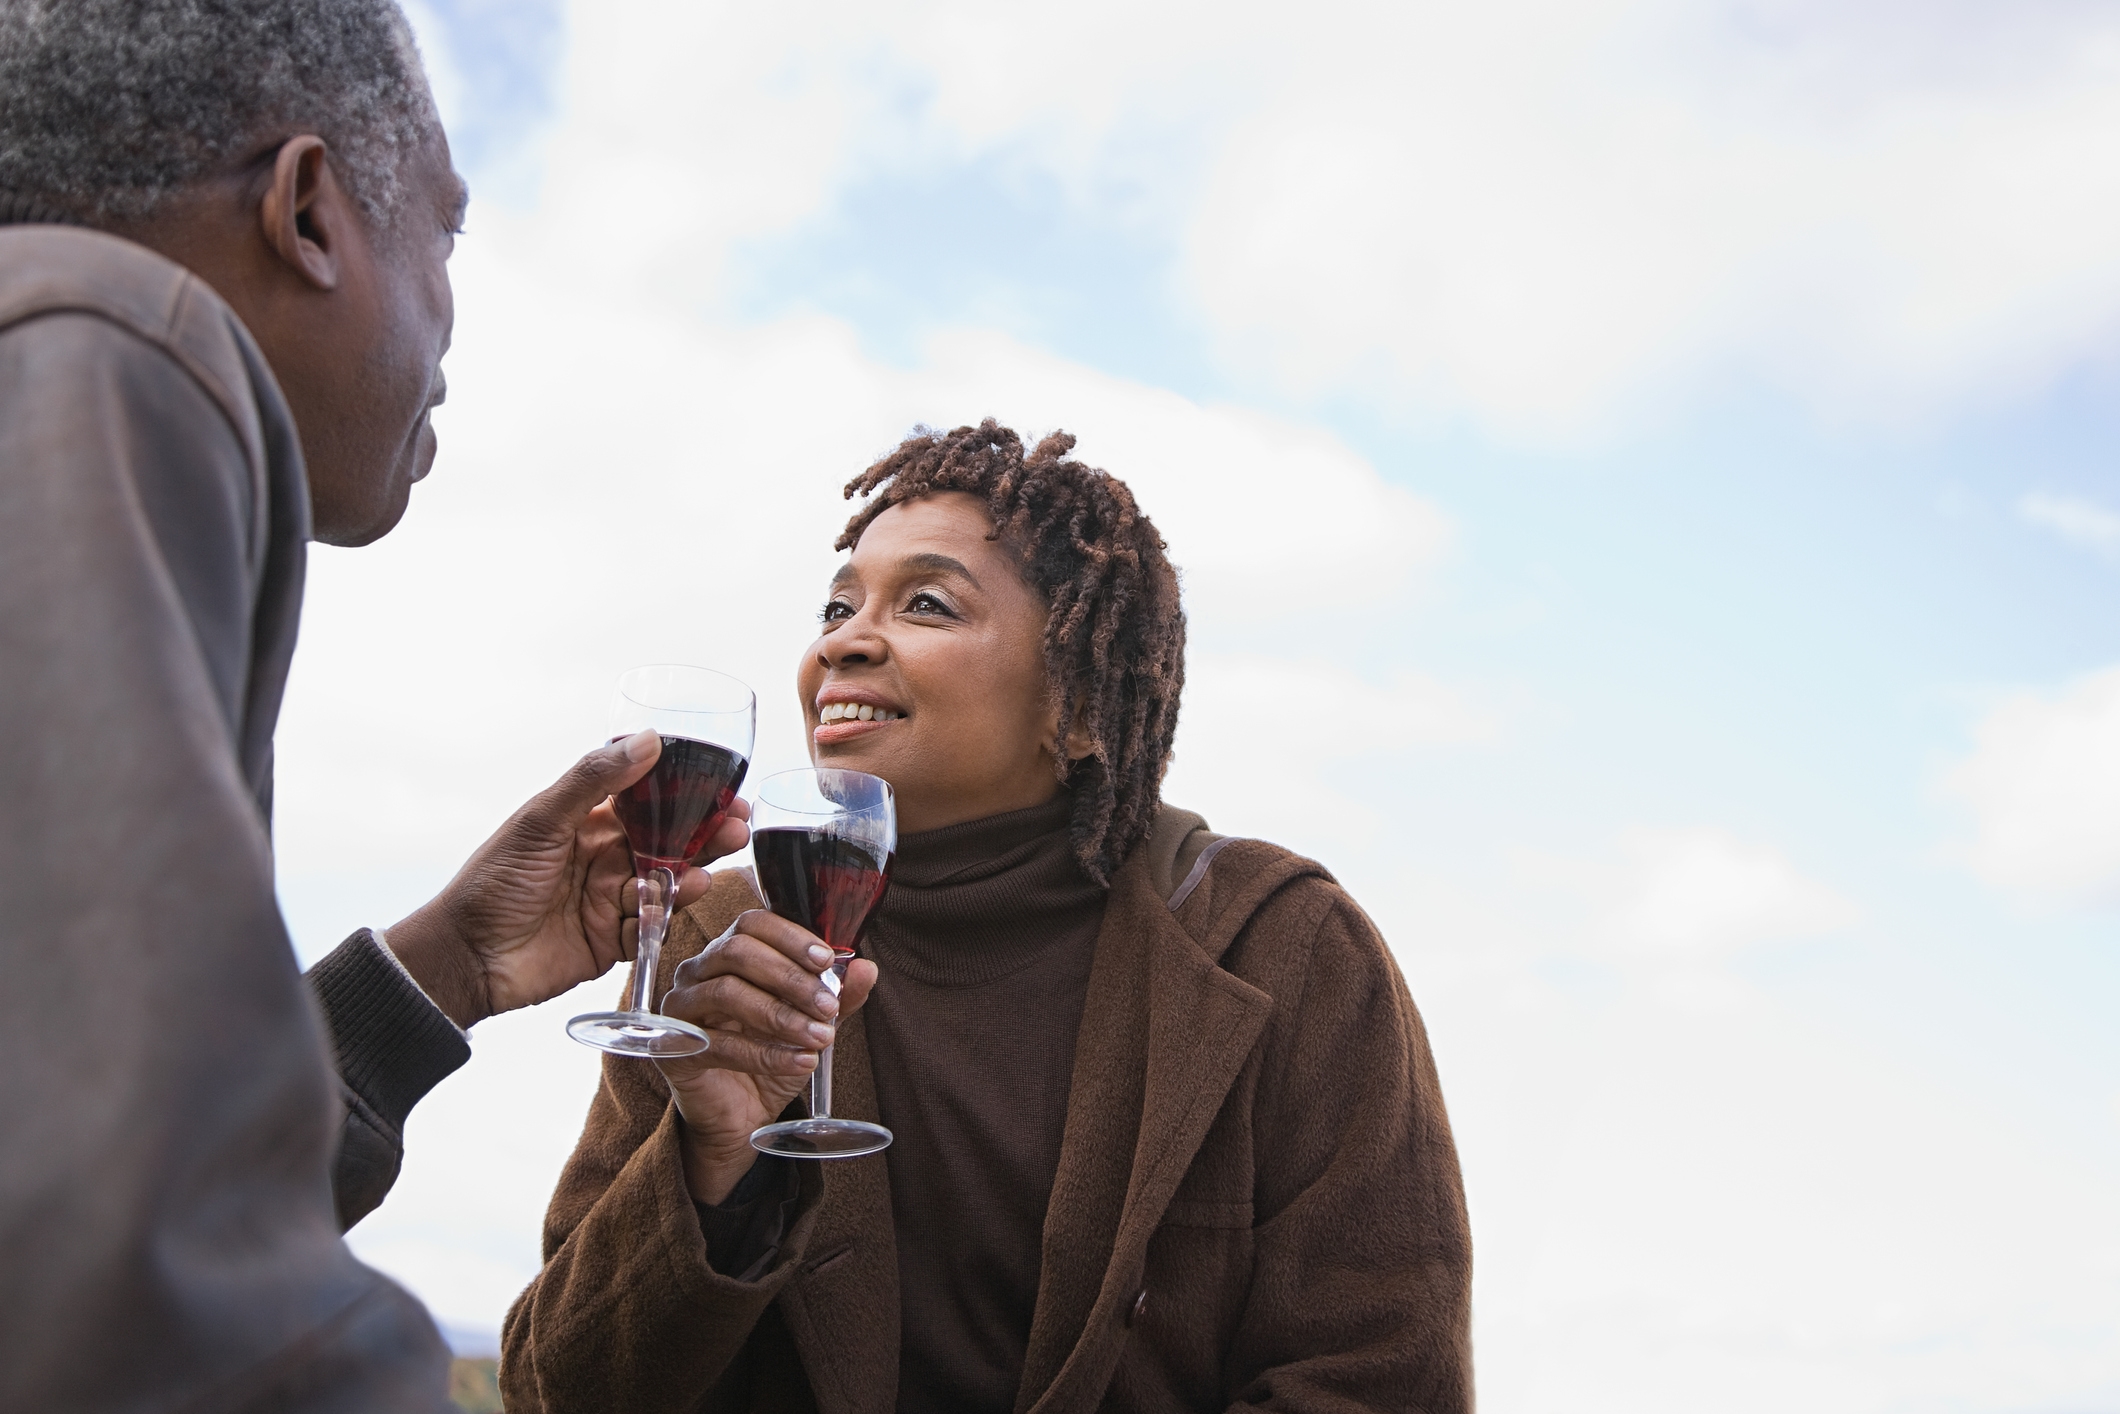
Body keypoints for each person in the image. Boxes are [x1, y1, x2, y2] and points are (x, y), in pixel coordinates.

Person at [0, 3, 741, 1407]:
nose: (455, 309)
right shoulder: (97, 348)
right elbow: (129, 1269)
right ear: (310, 213)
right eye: (446, 236)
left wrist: (439, 970)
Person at [500, 422, 1474, 1412]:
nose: (842, 638)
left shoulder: (1281, 948)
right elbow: (552, 1391)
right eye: (837, 605)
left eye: (926, 602)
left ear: (1082, 707)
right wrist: (712, 1171)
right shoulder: (719, 944)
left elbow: (1379, 1379)